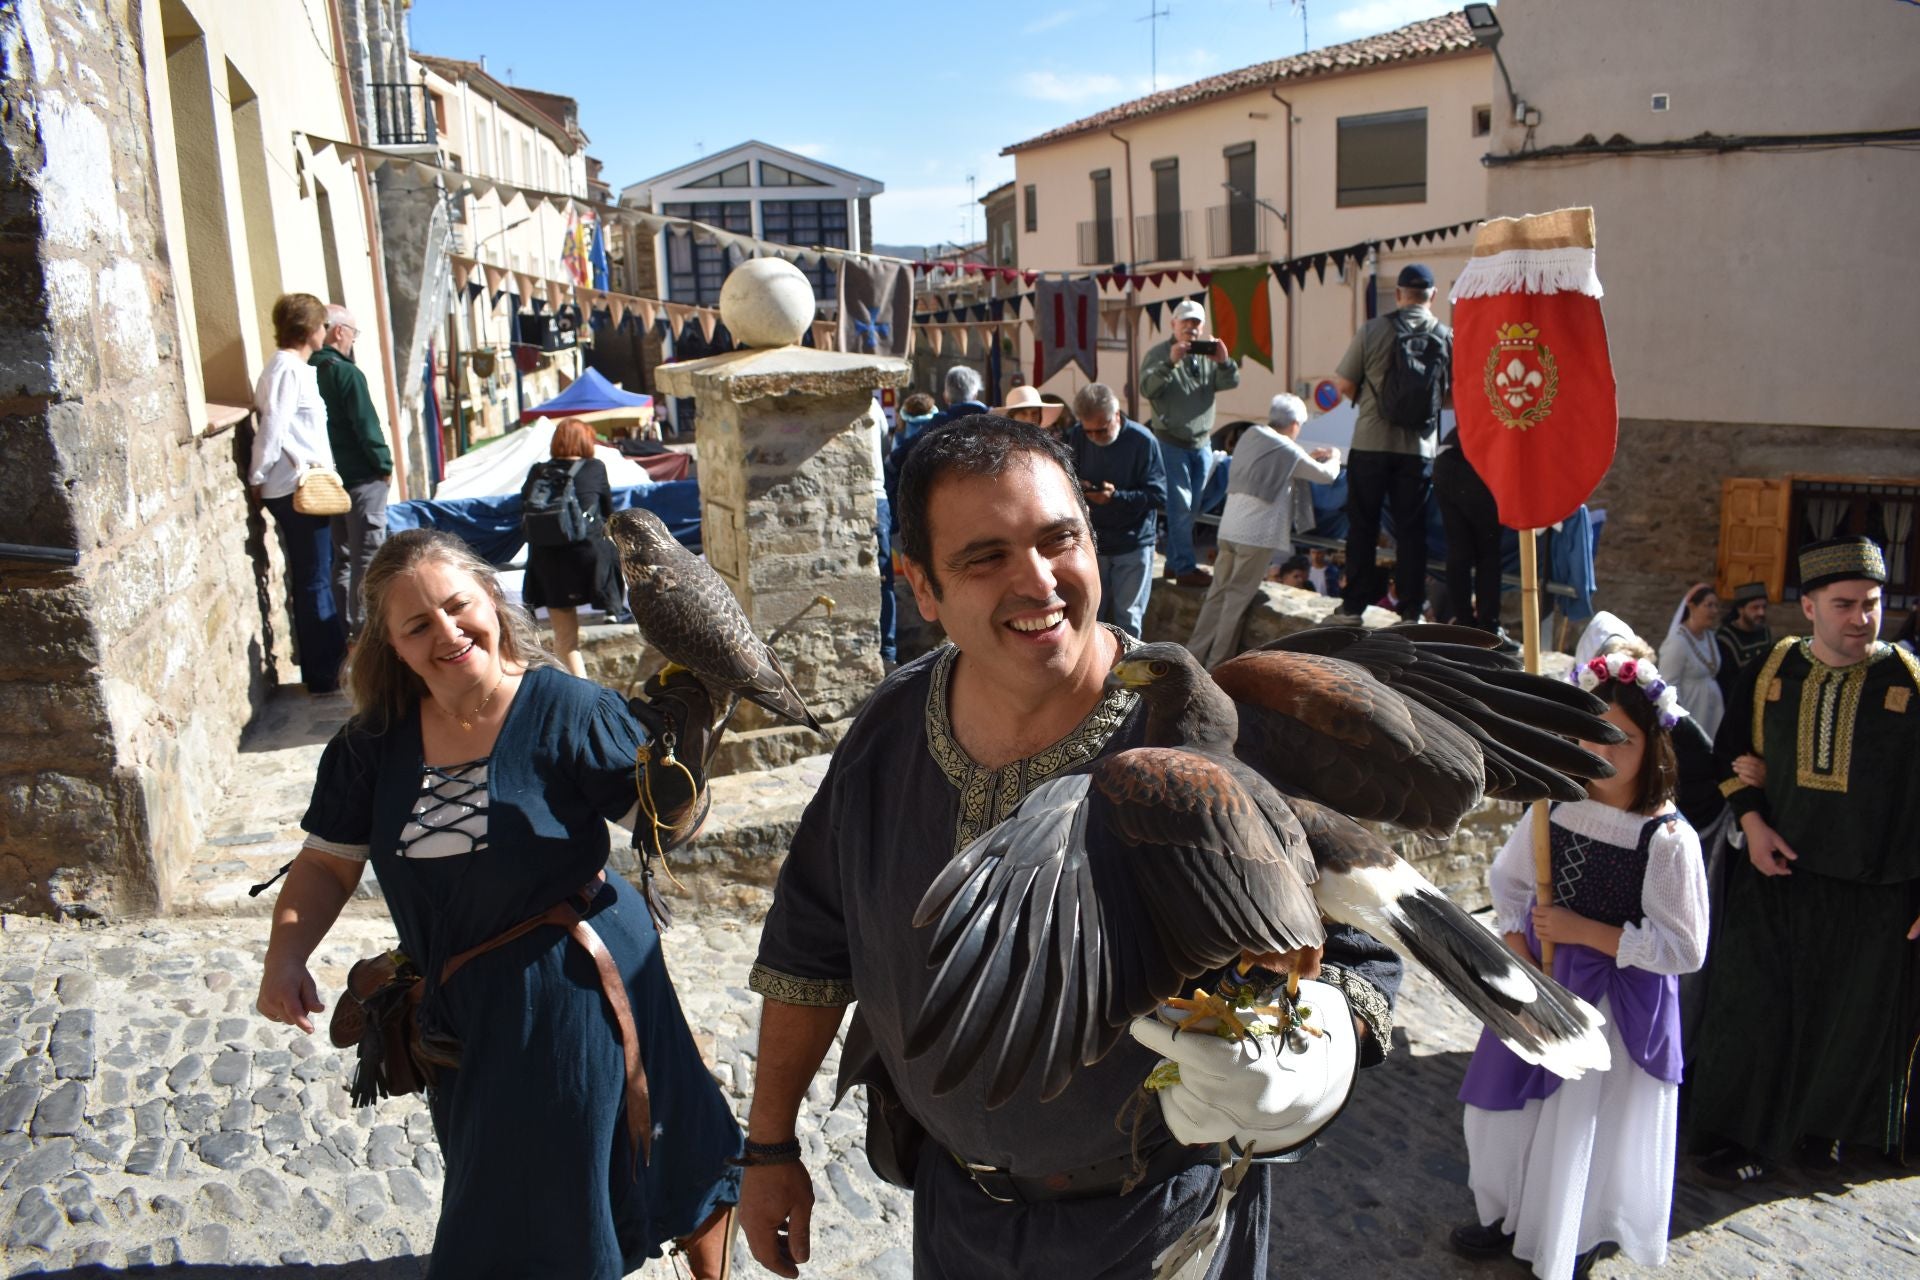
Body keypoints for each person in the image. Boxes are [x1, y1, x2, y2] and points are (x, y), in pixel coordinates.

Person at [737, 415, 1401, 1280]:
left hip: (1161, 1223)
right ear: (921, 586)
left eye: (1060, 540)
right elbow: (810, 946)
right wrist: (769, 1145)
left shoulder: (1204, 739)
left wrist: (1317, 1053)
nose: (1039, 582)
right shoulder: (887, 734)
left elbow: (1361, 952)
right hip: (956, 1216)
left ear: (1095, 538)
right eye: (986, 558)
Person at [254, 529, 741, 1279]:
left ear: (491, 598)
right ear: (393, 645)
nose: (447, 633)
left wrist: (685, 763)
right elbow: (326, 863)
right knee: (506, 1176)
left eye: (458, 607)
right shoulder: (371, 744)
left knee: (591, 1177)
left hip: (578, 992)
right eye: (418, 625)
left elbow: (662, 825)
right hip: (463, 1007)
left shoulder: (570, 709)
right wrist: (285, 956)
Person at [1453, 651, 1708, 1280]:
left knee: (1579, 1127)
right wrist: (1518, 947)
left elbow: (1685, 948)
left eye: (1623, 738)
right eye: (1592, 733)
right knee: (1502, 1111)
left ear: (1654, 746)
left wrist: (1586, 933)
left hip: (1615, 1010)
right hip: (1541, 983)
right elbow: (1508, 883)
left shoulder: (1667, 839)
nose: (1604, 750)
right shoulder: (1556, 806)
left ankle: (1573, 1231)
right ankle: (1506, 1213)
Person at [1691, 536, 1920, 1183]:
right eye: (1844, 604)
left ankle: (1822, 1139)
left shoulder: (1909, 681)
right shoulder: (1772, 669)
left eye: (1871, 603)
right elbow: (1727, 757)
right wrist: (1754, 821)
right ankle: (1740, 1138)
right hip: (1778, 879)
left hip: (1875, 894)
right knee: (1755, 1012)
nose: (1861, 618)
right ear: (1811, 606)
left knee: (1850, 1027)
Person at [1332, 264, 1450, 623]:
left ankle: (1354, 606)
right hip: (1417, 449)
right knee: (1411, 532)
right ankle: (1411, 609)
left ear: (1398, 294)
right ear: (1432, 296)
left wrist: (1373, 403)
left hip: (1371, 441)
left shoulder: (1373, 330)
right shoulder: (1445, 335)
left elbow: (1344, 384)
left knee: (1363, 525)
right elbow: (1451, 395)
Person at [1187, 393, 1340, 668]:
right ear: (1295, 423)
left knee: (1217, 595)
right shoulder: (1287, 449)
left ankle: (1192, 656)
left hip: (1229, 529)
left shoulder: (1252, 435)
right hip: (1255, 536)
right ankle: (1216, 666)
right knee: (1235, 601)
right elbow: (1326, 475)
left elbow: (1277, 462)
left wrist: (1306, 457)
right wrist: (1335, 457)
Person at [250, 292, 349, 694]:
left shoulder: (296, 369)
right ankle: (325, 672)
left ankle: (329, 665)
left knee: (318, 574)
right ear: (310, 328)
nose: (326, 331)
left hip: (307, 484)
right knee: (314, 579)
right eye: (323, 324)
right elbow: (273, 426)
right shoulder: (286, 369)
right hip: (296, 487)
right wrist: (258, 476)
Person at [1140, 299, 1240, 588]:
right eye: (1185, 322)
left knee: (1192, 507)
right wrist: (1170, 362)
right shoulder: (1159, 354)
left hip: (1202, 443)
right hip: (1171, 443)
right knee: (1181, 506)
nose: (1190, 328)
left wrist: (1224, 361)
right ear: (1173, 324)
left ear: (1202, 326)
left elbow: (1230, 382)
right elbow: (1147, 388)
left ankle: (1174, 564)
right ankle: (1184, 567)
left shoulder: (1206, 354)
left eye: (1196, 323)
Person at [313, 305, 393, 642]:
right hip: (361, 476)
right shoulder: (346, 373)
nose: (352, 342)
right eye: (353, 334)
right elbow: (366, 424)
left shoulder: (309, 369)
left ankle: (347, 630)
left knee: (343, 558)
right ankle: (366, 633)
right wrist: (383, 464)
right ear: (339, 331)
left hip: (331, 480)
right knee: (369, 557)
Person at [1062, 383, 1166, 637]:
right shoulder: (1078, 435)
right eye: (1089, 431)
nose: (1094, 437)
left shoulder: (1143, 441)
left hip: (1132, 544)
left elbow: (1158, 496)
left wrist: (1116, 497)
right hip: (1093, 543)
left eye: (1101, 430)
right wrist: (1081, 487)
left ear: (1116, 416)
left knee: (1128, 622)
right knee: (1090, 617)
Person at [521, 418, 622, 680]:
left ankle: (579, 688)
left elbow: (524, 508)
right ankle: (613, 610)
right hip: (588, 559)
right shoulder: (595, 467)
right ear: (586, 442)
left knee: (565, 639)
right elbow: (608, 511)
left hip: (548, 561)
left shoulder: (538, 472)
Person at [1432, 417, 1510, 645]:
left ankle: (1464, 625)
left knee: (1459, 550)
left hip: (1447, 459)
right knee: (1487, 553)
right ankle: (1487, 628)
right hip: (1475, 464)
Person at [1656, 584, 1724, 739]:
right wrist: (1682, 719)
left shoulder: (1709, 636)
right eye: (1709, 605)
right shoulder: (1678, 641)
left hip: (1712, 710)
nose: (1714, 611)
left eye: (1716, 606)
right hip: (1692, 707)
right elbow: (1669, 682)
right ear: (1692, 607)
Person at [1711, 581, 1771, 701]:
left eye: (1764, 607)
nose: (1761, 612)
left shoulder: (1764, 632)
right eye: (1755, 608)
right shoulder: (1725, 638)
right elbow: (1726, 683)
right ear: (1740, 609)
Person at [992, 384, 1064, 435]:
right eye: (1023, 413)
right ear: (1011, 416)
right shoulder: (1002, 445)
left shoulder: (1045, 445)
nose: (1030, 419)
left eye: (1034, 413)